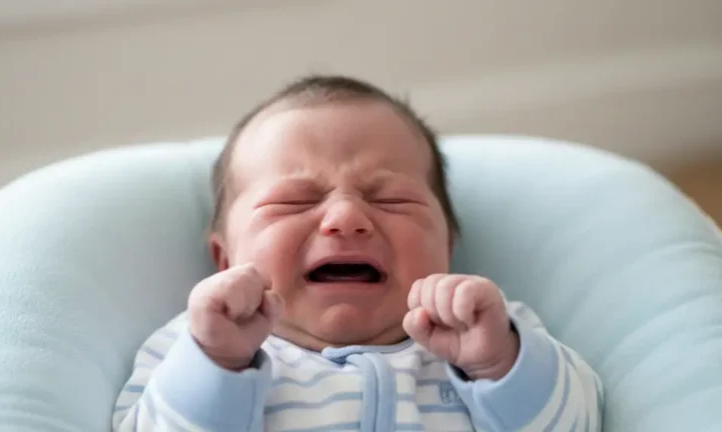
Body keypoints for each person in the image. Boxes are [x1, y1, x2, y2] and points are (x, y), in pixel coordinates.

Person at [112, 75, 603, 431]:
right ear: (225, 260)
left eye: (393, 199)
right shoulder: (190, 349)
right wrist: (214, 363)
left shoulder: (497, 338)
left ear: (447, 248)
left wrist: (501, 367)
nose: (346, 217)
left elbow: (581, 422)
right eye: (293, 200)